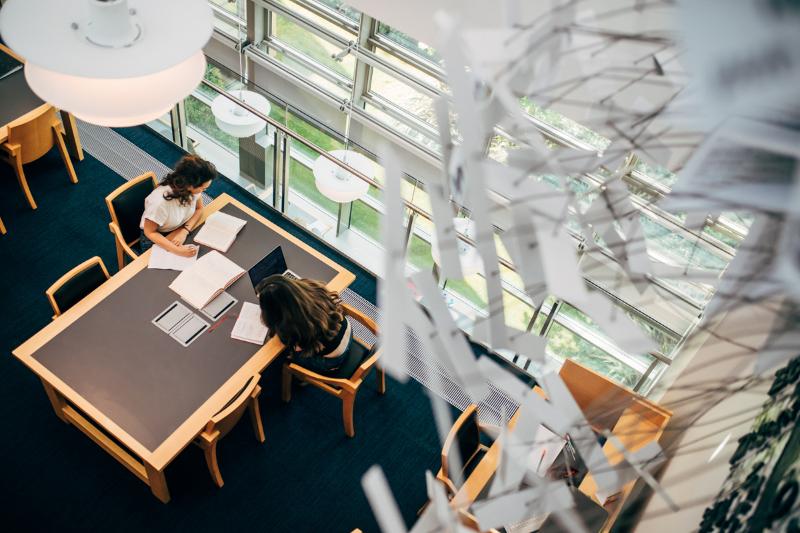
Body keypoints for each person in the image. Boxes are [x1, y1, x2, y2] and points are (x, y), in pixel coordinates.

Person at [256, 275, 353, 376]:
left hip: (333, 360)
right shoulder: (312, 289)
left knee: (286, 355)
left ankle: (301, 378)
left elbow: (297, 348)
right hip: (346, 331)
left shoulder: (299, 328)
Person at [139, 155, 216, 256]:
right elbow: (150, 232)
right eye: (203, 188)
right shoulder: (159, 204)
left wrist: (184, 232)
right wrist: (177, 251)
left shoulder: (192, 188)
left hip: (180, 228)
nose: (203, 191)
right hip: (158, 236)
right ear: (189, 185)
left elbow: (199, 209)